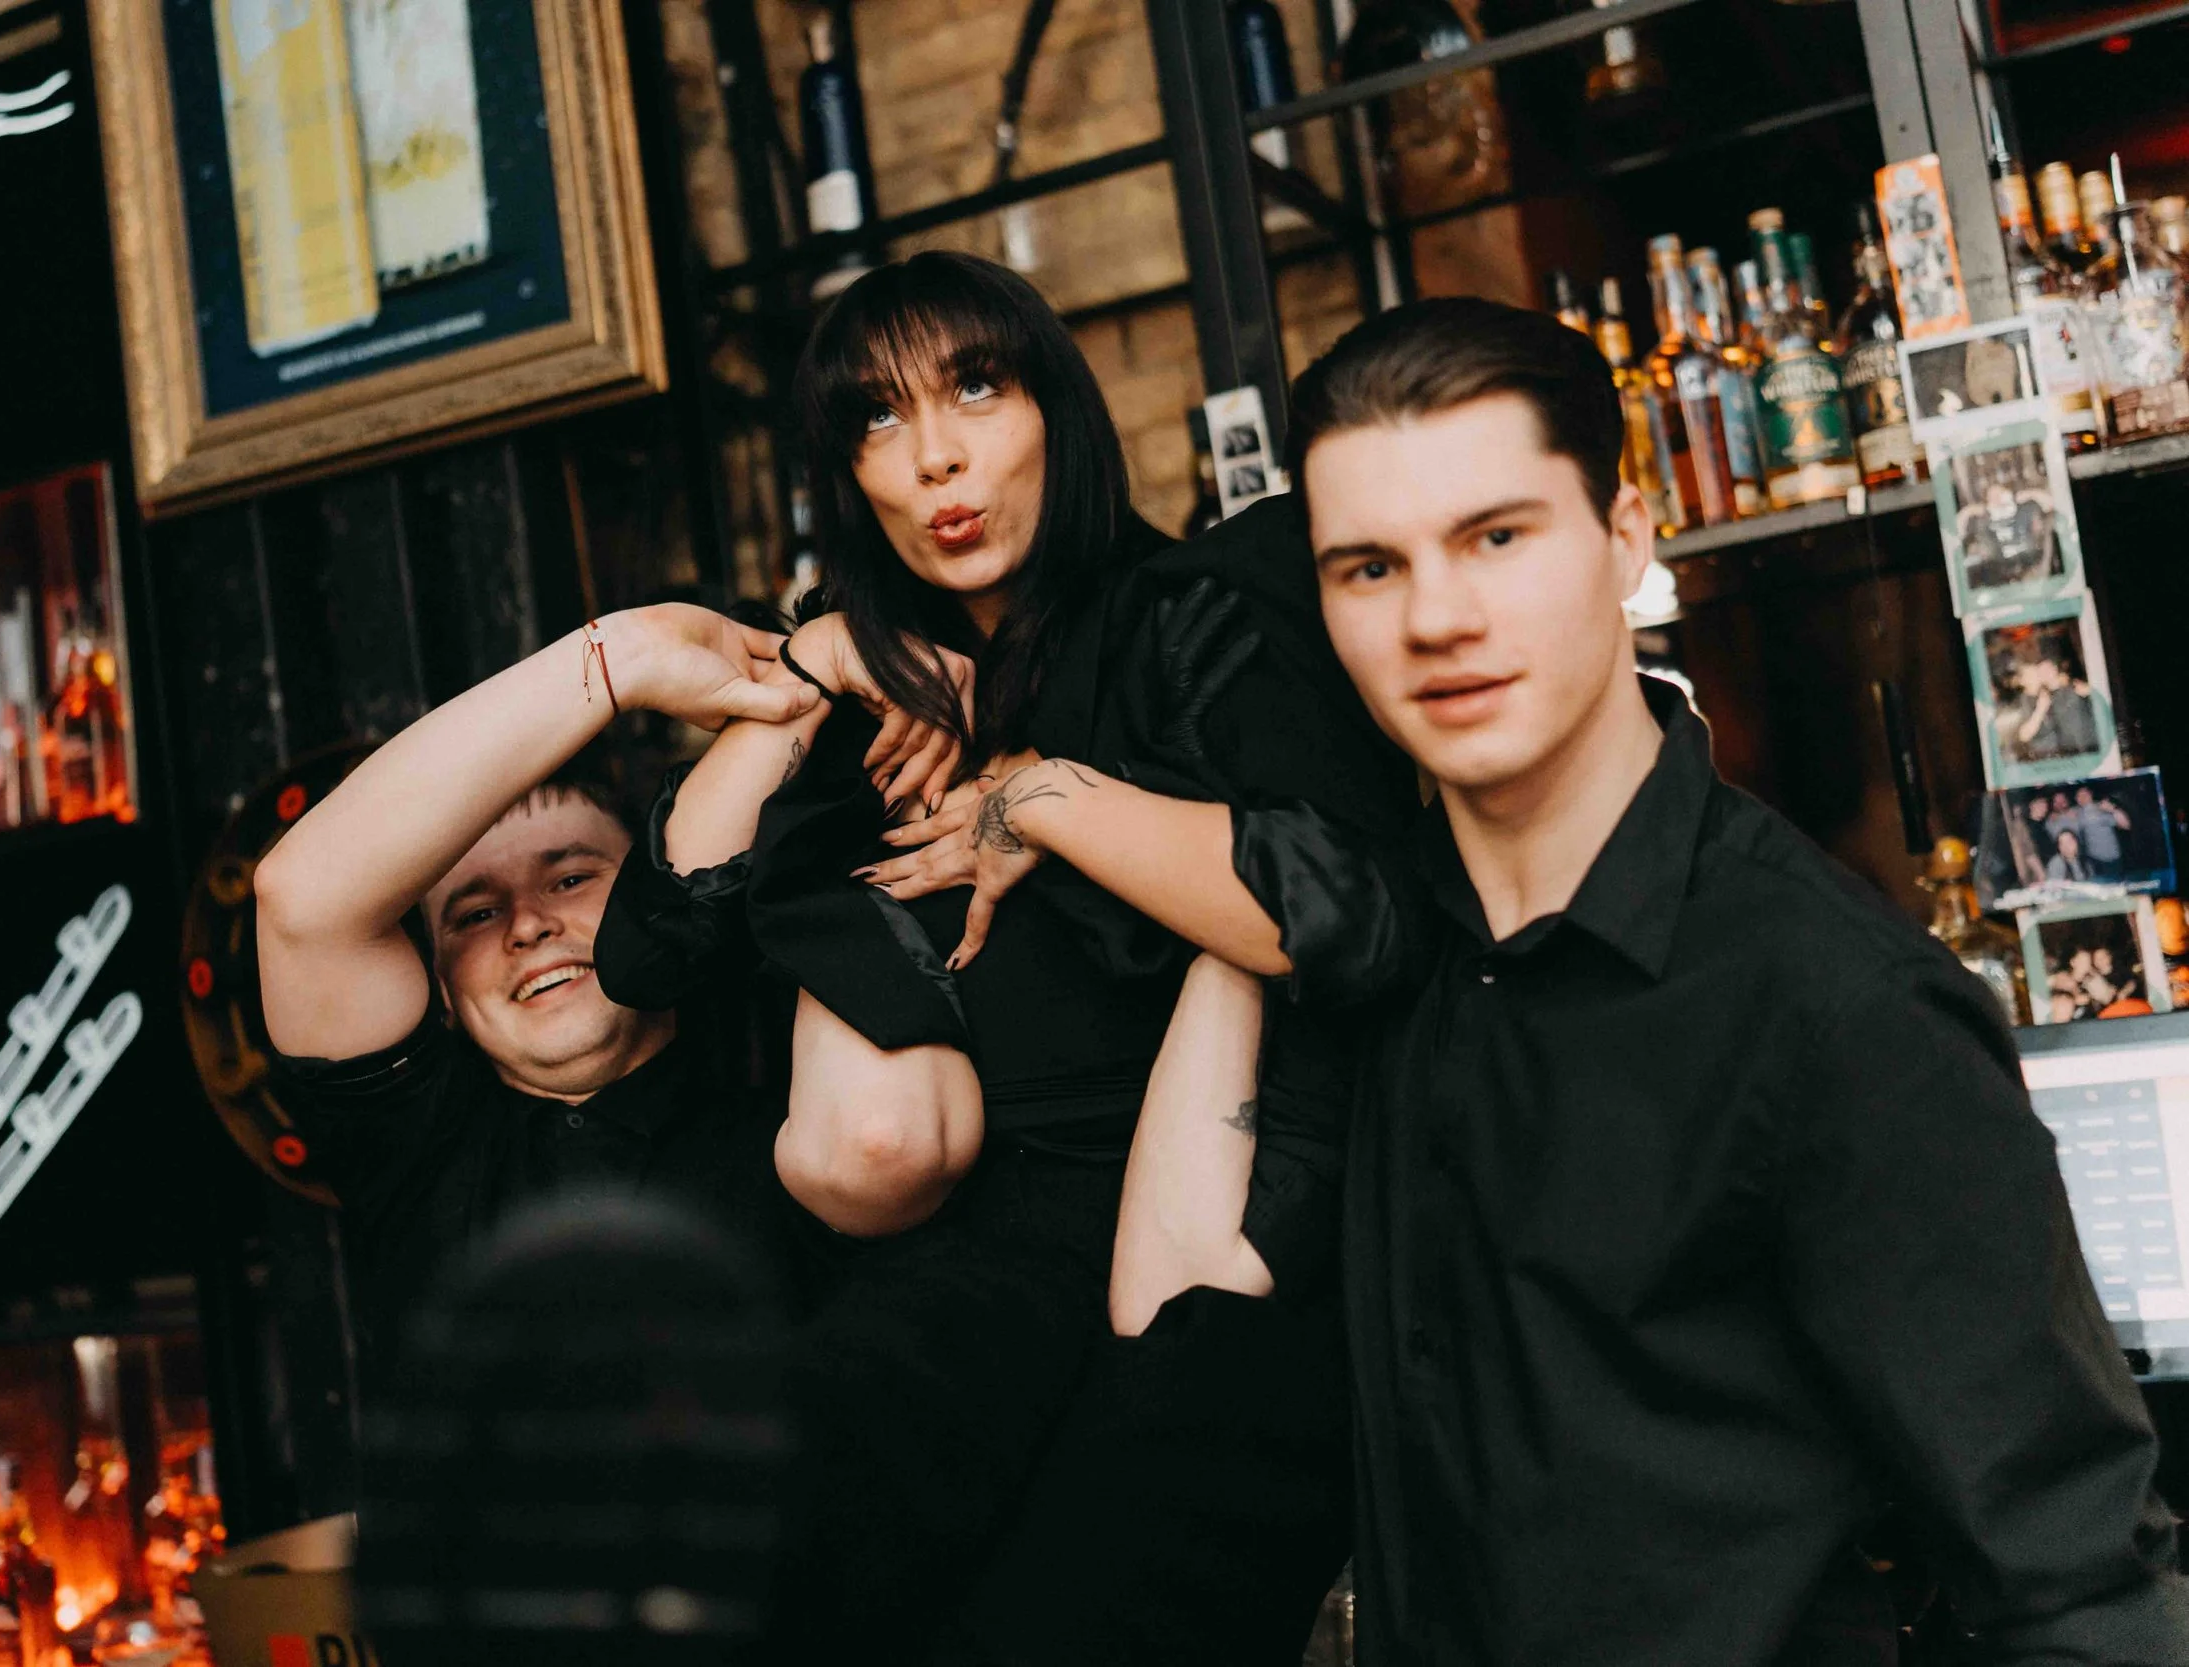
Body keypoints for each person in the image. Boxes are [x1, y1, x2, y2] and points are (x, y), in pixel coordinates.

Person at [1283, 296, 2189, 1663]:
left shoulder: (1836, 1007)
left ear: (1628, 539)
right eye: (1367, 566)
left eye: (1498, 535)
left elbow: (2078, 1589)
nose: (1437, 616)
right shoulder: (1393, 951)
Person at [597, 251, 1421, 1664]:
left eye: (976, 386)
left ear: (1058, 405)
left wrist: (1039, 793)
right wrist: (810, 669)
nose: (933, 457)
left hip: (1236, 1228)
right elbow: (650, 945)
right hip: (979, 1251)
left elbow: (1340, 917)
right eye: (875, 419)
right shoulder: (880, 699)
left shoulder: (1200, 613)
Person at [251, 603, 921, 1383]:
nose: (528, 925)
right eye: (474, 913)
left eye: (570, 878)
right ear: (434, 984)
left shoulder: (785, 1072)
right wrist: (625, 655)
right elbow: (302, 897)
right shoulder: (416, 1157)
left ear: (648, 890)